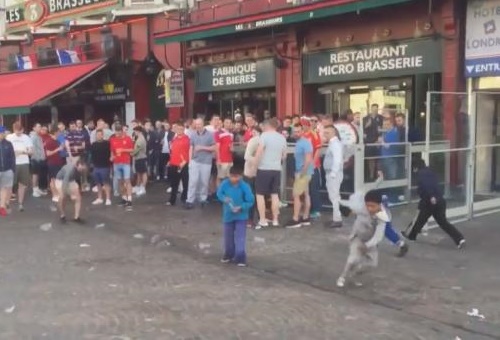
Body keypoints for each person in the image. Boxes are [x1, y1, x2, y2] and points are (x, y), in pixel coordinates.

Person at [403, 158, 466, 249]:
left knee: (419, 219)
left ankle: (411, 236)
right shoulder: (431, 172)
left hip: (429, 201)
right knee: (442, 222)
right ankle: (460, 239)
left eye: (414, 168)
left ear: (416, 167)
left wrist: (432, 196)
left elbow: (426, 185)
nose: (413, 170)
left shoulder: (422, 174)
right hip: (439, 200)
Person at [336, 190, 387, 288]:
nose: (369, 208)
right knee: (353, 259)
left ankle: (354, 275)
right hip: (358, 237)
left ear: (379, 205)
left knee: (372, 264)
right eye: (367, 205)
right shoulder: (362, 207)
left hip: (370, 241)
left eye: (372, 206)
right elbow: (350, 206)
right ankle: (342, 277)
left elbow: (379, 235)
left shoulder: (383, 216)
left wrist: (368, 245)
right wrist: (346, 209)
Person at [216, 166, 255, 267]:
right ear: (229, 175)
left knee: (240, 238)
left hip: (241, 216)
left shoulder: (245, 186)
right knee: (228, 237)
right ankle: (228, 254)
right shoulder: (225, 183)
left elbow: (250, 201)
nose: (234, 179)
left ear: (241, 176)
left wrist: (241, 207)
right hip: (228, 215)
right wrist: (224, 199)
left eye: (236, 177)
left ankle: (241, 257)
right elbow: (219, 193)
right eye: (232, 176)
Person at [254, 118, 287, 228]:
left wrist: (255, 165)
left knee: (260, 194)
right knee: (274, 194)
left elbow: (259, 152)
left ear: (267, 125)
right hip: (276, 169)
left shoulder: (264, 136)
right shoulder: (282, 137)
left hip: (264, 168)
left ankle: (263, 219)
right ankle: (275, 220)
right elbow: (284, 155)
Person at [285, 124, 314, 228]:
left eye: (298, 131)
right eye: (295, 131)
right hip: (305, 172)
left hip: (303, 172)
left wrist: (302, 172)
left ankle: (296, 219)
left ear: (302, 131)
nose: (296, 133)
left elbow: (308, 159)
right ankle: (305, 217)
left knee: (296, 195)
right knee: (306, 194)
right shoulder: (301, 143)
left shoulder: (305, 143)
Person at [185, 118, 216, 209]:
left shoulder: (210, 135)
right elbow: (191, 148)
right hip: (195, 161)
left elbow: (214, 148)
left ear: (203, 124)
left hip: (206, 162)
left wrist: (202, 148)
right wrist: (190, 161)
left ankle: (203, 199)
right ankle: (190, 200)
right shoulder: (193, 134)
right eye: (196, 124)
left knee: (204, 182)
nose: (197, 126)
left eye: (199, 124)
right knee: (192, 181)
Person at [7, 122, 33, 212]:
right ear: (13, 130)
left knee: (22, 184)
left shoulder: (26, 138)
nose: (18, 133)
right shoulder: (9, 137)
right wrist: (12, 154)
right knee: (10, 184)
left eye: (20, 131)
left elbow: (31, 152)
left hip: (24, 163)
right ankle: (6, 203)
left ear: (22, 130)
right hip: (12, 164)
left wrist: (22, 152)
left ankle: (20, 204)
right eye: (16, 131)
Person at [323, 125, 344, 228]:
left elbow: (337, 159)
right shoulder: (333, 143)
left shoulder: (335, 144)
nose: (324, 135)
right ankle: (336, 217)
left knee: (334, 196)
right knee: (334, 196)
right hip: (332, 173)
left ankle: (337, 219)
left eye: (326, 133)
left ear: (332, 133)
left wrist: (333, 173)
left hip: (333, 174)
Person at [109, 125, 135, 211]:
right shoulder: (112, 140)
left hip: (125, 163)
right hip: (116, 163)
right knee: (120, 181)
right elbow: (112, 151)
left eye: (119, 131)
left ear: (122, 131)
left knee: (127, 181)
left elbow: (132, 150)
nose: (118, 133)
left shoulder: (127, 139)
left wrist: (123, 150)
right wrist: (112, 157)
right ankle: (124, 198)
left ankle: (130, 200)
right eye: (116, 132)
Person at [302, 117, 323, 219]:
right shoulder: (302, 136)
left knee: (314, 188)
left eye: (305, 124)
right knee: (307, 189)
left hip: (313, 166)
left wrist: (313, 163)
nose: (304, 126)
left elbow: (318, 149)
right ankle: (308, 209)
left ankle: (316, 210)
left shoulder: (314, 134)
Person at [167, 121, 190, 206]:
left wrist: (185, 161)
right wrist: (170, 160)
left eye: (181, 129)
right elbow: (173, 151)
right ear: (176, 130)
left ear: (184, 129)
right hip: (174, 164)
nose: (179, 130)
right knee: (174, 183)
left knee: (185, 183)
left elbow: (189, 152)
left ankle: (184, 198)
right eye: (178, 129)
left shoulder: (187, 139)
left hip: (183, 164)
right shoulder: (174, 139)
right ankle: (172, 200)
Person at [243, 126, 261, 228]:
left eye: (254, 132)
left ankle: (250, 218)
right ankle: (260, 217)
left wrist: (255, 161)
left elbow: (246, 156)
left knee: (250, 195)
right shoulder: (264, 140)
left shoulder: (253, 141)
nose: (252, 133)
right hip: (260, 171)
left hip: (250, 171)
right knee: (259, 195)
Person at [90, 129, 112, 206]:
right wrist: (92, 164)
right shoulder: (93, 144)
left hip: (105, 166)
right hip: (96, 166)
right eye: (97, 135)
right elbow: (91, 155)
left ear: (103, 135)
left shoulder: (107, 144)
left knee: (106, 183)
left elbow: (111, 153)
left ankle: (108, 198)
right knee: (98, 183)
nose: (99, 136)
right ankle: (100, 198)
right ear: (96, 135)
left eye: (100, 134)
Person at [44, 126, 65, 203]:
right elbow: (48, 153)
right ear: (55, 132)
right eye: (59, 132)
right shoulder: (49, 141)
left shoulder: (56, 140)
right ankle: (54, 195)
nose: (60, 133)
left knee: (57, 179)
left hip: (58, 162)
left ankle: (57, 194)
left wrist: (61, 147)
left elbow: (58, 150)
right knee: (53, 180)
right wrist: (58, 149)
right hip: (52, 163)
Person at [0, 126, 15, 217]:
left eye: (3, 133)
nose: (3, 135)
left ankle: (2, 206)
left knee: (4, 188)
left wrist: (12, 169)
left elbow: (12, 157)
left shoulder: (8, 144)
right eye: (1, 133)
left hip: (7, 170)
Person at [30, 123, 48, 197]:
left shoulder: (38, 136)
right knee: (35, 175)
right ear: (34, 128)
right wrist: (38, 158)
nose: (40, 128)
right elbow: (32, 148)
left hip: (40, 159)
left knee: (37, 174)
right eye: (38, 127)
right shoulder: (33, 137)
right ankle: (34, 190)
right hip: (36, 159)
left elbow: (40, 148)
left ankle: (37, 189)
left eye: (40, 126)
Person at [215, 118, 234, 186]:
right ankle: (219, 193)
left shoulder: (231, 134)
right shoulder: (218, 133)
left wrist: (232, 149)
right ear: (223, 123)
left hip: (229, 159)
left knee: (227, 177)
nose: (228, 124)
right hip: (222, 159)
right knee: (220, 177)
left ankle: (225, 193)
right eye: (227, 122)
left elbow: (231, 146)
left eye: (230, 123)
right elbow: (217, 147)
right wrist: (218, 159)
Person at [132, 126, 148, 197]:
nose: (134, 133)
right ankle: (138, 186)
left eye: (135, 131)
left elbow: (137, 150)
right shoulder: (139, 138)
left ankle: (143, 188)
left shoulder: (140, 139)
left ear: (138, 131)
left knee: (143, 173)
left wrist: (131, 154)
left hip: (141, 158)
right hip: (138, 158)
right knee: (139, 173)